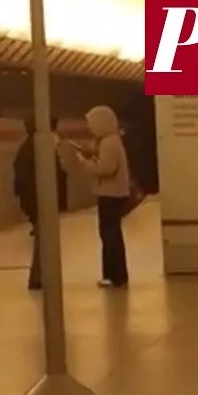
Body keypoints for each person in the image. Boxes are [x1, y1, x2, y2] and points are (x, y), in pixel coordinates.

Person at [73, 105, 132, 288]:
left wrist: (84, 162)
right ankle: (118, 275)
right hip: (114, 193)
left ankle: (113, 275)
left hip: (110, 194)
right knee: (112, 234)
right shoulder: (111, 140)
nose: (90, 128)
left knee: (109, 235)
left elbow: (105, 169)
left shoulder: (108, 143)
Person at [12, 117, 67, 291]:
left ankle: (41, 276)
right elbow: (29, 179)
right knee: (43, 240)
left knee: (43, 240)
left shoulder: (31, 147)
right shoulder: (37, 149)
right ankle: (38, 278)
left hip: (39, 201)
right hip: (41, 201)